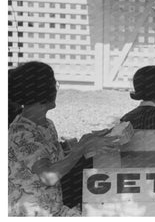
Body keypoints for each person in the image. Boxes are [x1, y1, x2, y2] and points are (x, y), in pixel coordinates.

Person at [8, 61, 119, 216]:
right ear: (43, 91)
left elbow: (56, 162)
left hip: (52, 209)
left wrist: (86, 141)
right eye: (54, 84)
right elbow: (48, 177)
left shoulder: (46, 125)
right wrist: (80, 149)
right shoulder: (22, 133)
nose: (56, 89)